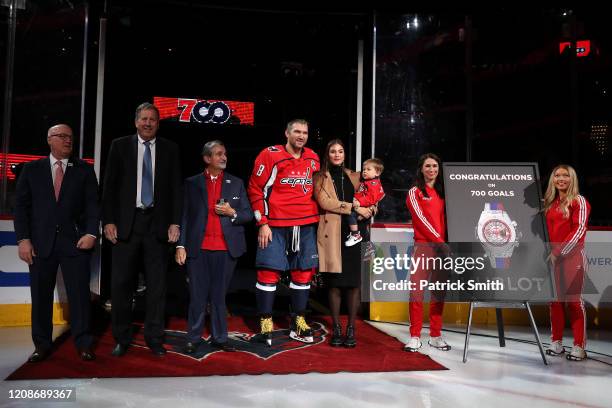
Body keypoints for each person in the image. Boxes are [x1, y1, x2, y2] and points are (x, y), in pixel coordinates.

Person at [102, 102, 182, 357]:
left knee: (157, 287)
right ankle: (122, 338)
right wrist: (109, 221)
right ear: (136, 122)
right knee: (121, 284)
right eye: (144, 119)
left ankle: (154, 338)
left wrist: (175, 222)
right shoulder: (120, 146)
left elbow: (175, 190)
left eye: (153, 120)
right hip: (127, 225)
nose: (148, 123)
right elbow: (109, 187)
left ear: (158, 123)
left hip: (157, 226)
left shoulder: (170, 149)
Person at [14, 124, 98, 362]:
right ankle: (41, 345)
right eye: (62, 136)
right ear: (49, 139)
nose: (68, 140)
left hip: (76, 243)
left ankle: (83, 343)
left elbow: (93, 205)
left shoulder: (84, 170)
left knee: (80, 297)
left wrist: (91, 233)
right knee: (40, 297)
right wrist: (23, 239)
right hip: (41, 244)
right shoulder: (31, 169)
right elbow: (21, 208)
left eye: (70, 137)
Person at [175, 140, 253, 353]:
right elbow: (184, 216)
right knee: (198, 296)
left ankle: (220, 337)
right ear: (207, 158)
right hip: (197, 249)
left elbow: (248, 214)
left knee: (219, 296)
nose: (223, 157)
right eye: (218, 154)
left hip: (226, 250)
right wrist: (180, 246)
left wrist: (232, 213)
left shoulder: (236, 183)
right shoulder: (192, 183)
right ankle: (193, 337)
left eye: (225, 153)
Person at [248, 119, 320, 346]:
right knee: (268, 274)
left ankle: (298, 322)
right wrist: (263, 222)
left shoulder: (313, 157)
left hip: (306, 224)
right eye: (297, 132)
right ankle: (266, 325)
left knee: (303, 273)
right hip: (275, 225)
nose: (301, 136)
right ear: (286, 133)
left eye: (305, 133)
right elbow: (255, 188)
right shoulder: (270, 155)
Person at [314, 139, 376, 348]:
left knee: (354, 284)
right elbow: (324, 202)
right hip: (333, 234)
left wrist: (371, 209)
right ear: (328, 154)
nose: (337, 155)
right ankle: (337, 329)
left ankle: (351, 329)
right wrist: (354, 208)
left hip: (358, 235)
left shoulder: (356, 175)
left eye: (340, 151)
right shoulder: (320, 177)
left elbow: (372, 197)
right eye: (333, 151)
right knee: (334, 285)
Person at [404, 153, 451, 352]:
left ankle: (435, 335)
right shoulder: (415, 192)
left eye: (435, 166)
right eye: (428, 166)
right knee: (416, 292)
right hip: (424, 247)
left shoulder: (444, 192)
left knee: (438, 293)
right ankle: (415, 336)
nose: (431, 170)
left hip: (443, 249)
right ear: (421, 169)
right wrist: (440, 242)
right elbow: (421, 221)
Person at [543, 165, 590, 361]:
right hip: (553, 259)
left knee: (574, 302)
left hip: (572, 258)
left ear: (572, 179)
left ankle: (579, 346)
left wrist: (558, 252)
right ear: (552, 180)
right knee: (555, 302)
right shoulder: (550, 203)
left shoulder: (578, 201)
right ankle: (557, 342)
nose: (561, 179)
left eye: (565, 176)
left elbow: (579, 230)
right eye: (557, 175)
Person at [344, 157, 385, 247]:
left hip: (364, 210)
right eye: (364, 169)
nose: (365, 171)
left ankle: (355, 234)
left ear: (377, 173)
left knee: (351, 214)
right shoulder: (368, 181)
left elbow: (372, 198)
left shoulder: (373, 183)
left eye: (368, 169)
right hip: (358, 207)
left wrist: (359, 203)